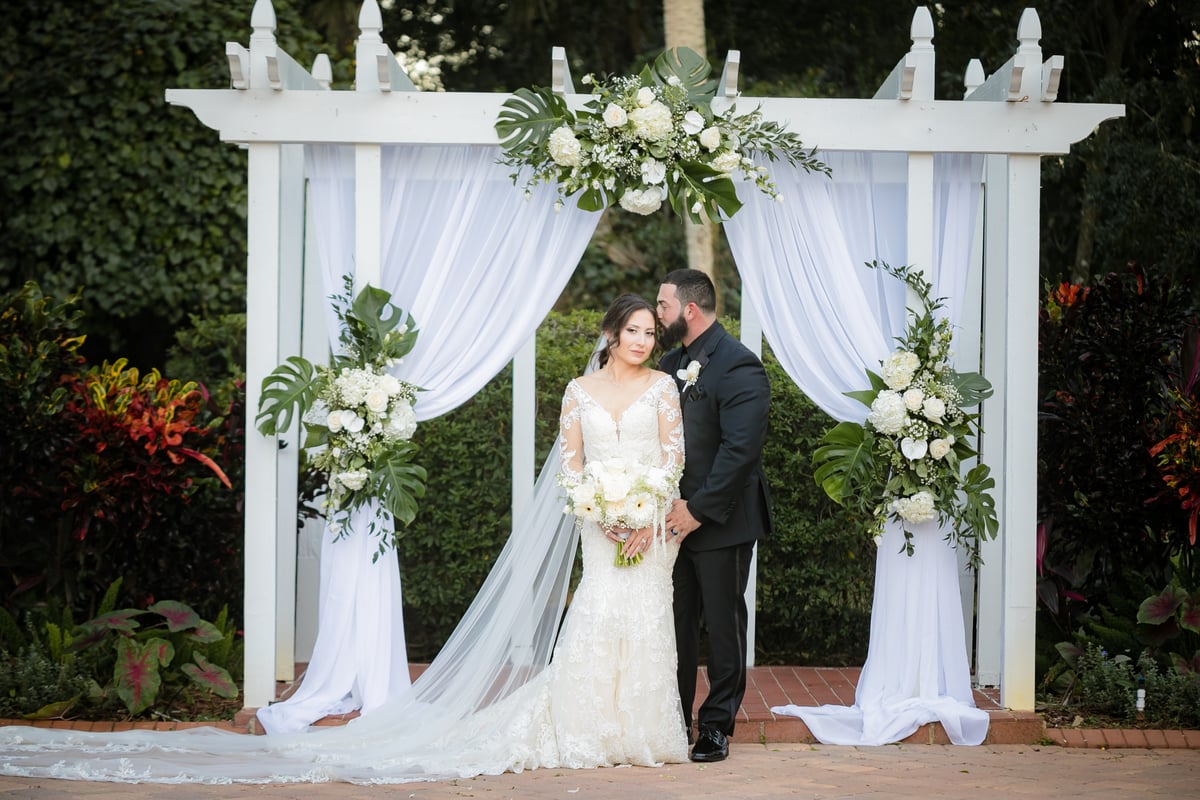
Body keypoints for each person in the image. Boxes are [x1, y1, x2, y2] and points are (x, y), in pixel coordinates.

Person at [0, 294, 687, 783]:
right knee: (598, 616)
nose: (640, 341)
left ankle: (644, 734)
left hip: (649, 525)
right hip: (600, 525)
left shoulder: (663, 389)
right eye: (631, 330)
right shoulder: (577, 389)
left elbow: (672, 458)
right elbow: (570, 464)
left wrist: (644, 513)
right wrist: (603, 515)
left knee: (645, 620)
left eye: (648, 334)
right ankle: (593, 728)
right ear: (610, 333)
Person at [656, 269, 773, 763]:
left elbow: (740, 450)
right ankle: (675, 718)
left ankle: (717, 726)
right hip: (669, 520)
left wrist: (698, 510)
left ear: (690, 310)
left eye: (662, 305)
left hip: (720, 521)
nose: (655, 313)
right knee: (676, 623)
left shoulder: (740, 366)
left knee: (723, 624)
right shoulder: (668, 363)